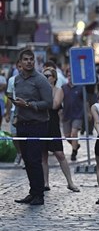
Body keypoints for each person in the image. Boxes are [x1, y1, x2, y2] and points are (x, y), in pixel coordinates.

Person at [12, 49, 53, 206]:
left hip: (38, 124)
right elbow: (18, 102)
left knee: (35, 160)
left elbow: (48, 103)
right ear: (20, 63)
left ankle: (39, 195)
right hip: (22, 124)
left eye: (31, 59)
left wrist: (29, 105)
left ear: (34, 62)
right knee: (27, 160)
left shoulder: (41, 80)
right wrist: (17, 113)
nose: (29, 62)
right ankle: (32, 191)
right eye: (26, 59)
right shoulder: (17, 80)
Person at [41, 67, 80, 192]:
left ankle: (70, 182)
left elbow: (55, 105)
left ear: (54, 78)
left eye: (49, 76)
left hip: (52, 125)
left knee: (60, 154)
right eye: (44, 76)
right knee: (43, 156)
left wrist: (40, 103)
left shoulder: (58, 90)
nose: (46, 78)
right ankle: (45, 183)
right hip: (40, 123)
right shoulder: (39, 90)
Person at [61, 74, 85, 161]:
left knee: (74, 133)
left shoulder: (80, 87)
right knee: (67, 136)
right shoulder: (63, 87)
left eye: (72, 75)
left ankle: (74, 153)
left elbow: (85, 100)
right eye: (68, 76)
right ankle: (75, 145)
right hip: (66, 114)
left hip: (78, 114)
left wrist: (88, 112)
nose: (70, 77)